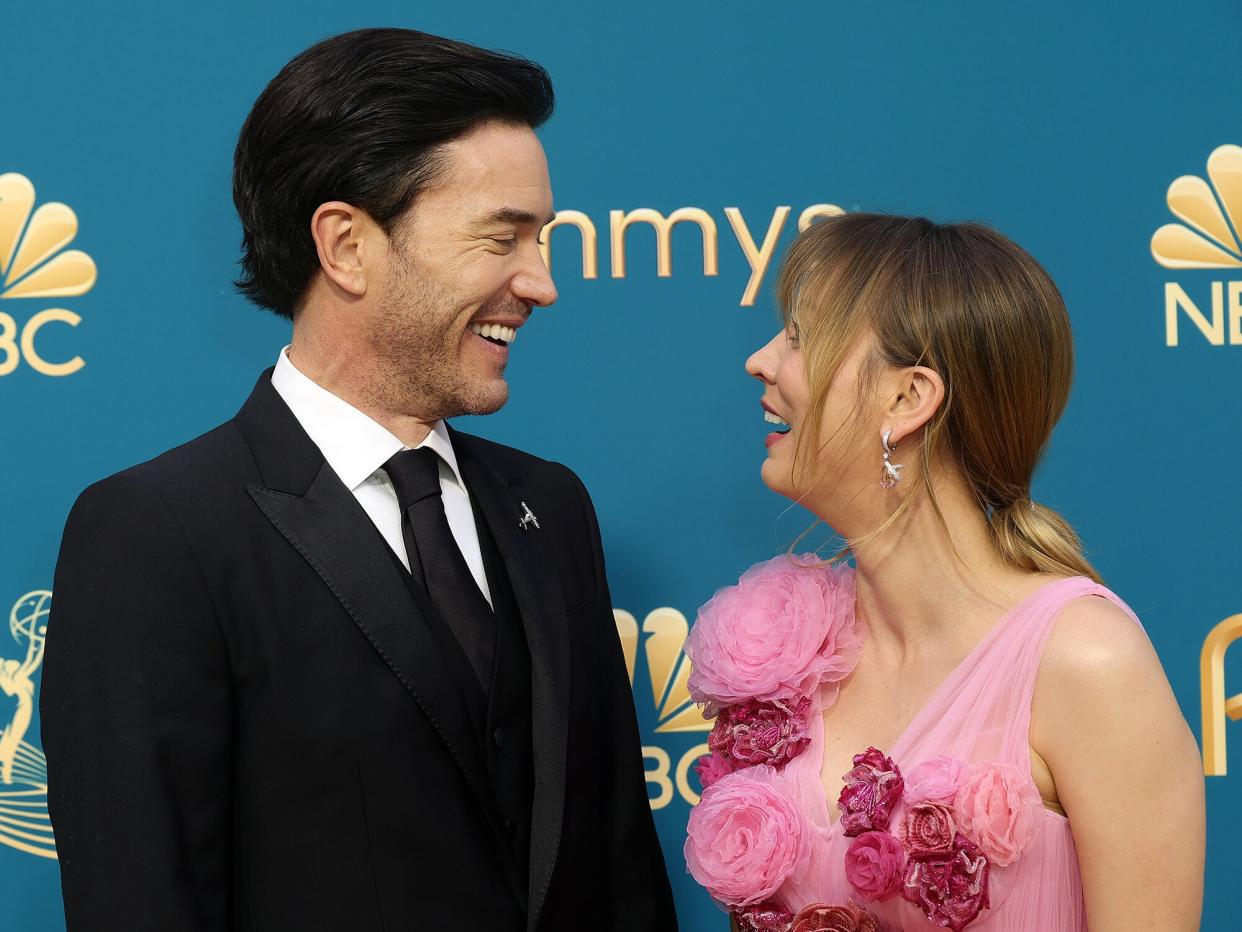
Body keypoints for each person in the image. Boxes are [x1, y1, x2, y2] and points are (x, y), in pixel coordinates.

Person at [41, 28, 676, 931]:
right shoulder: (157, 535)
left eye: (545, 239)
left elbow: (619, 874)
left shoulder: (552, 507)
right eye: (504, 237)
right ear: (346, 245)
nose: (542, 283)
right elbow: (142, 899)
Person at [687, 213, 1204, 931]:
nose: (761, 360)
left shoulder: (1087, 662)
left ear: (908, 399)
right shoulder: (790, 657)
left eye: (800, 338)